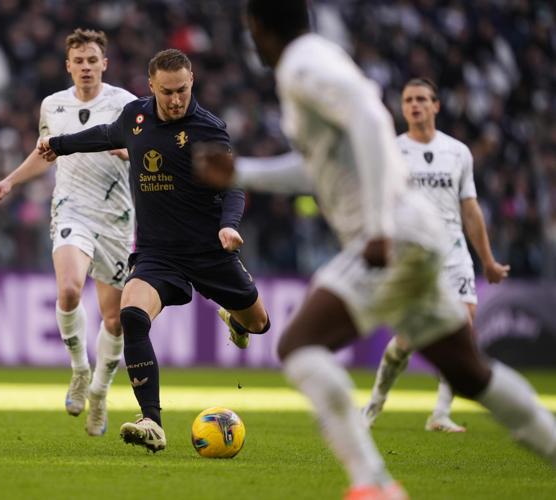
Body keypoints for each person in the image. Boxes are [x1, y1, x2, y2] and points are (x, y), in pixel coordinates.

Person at [194, 1, 556, 498]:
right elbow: (319, 166)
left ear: (258, 27)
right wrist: (244, 174)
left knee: (298, 347)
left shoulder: (302, 65)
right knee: (472, 375)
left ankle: (373, 483)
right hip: (418, 234)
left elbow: (369, 116)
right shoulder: (321, 58)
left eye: (250, 31)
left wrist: (380, 227)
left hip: (396, 234)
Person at [36, 48, 270, 453]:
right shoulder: (136, 118)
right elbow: (105, 135)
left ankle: (236, 320)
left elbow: (232, 185)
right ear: (151, 87)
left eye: (182, 90)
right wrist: (59, 143)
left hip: (209, 250)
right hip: (158, 252)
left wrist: (230, 225)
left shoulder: (209, 129)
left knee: (258, 324)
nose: (176, 99)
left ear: (192, 81)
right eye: (167, 92)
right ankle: (152, 421)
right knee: (131, 314)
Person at [0, 28, 137, 437]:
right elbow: (45, 153)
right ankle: (78, 369)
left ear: (104, 64)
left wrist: (130, 151)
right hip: (72, 209)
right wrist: (11, 181)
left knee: (115, 318)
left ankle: (101, 393)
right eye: (79, 61)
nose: (86, 67)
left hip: (117, 219)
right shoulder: (52, 105)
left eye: (93, 60)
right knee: (69, 290)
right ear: (68, 65)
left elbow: (149, 152)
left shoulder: (126, 104)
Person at [361, 78, 510, 433]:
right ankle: (374, 403)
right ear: (403, 108)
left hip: (453, 251)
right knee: (408, 341)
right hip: (412, 253)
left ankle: (440, 413)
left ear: (436, 105)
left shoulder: (458, 152)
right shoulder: (393, 151)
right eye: (408, 100)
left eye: (422, 99)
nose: (414, 105)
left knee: (462, 327)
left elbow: (470, 209)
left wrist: (487, 260)